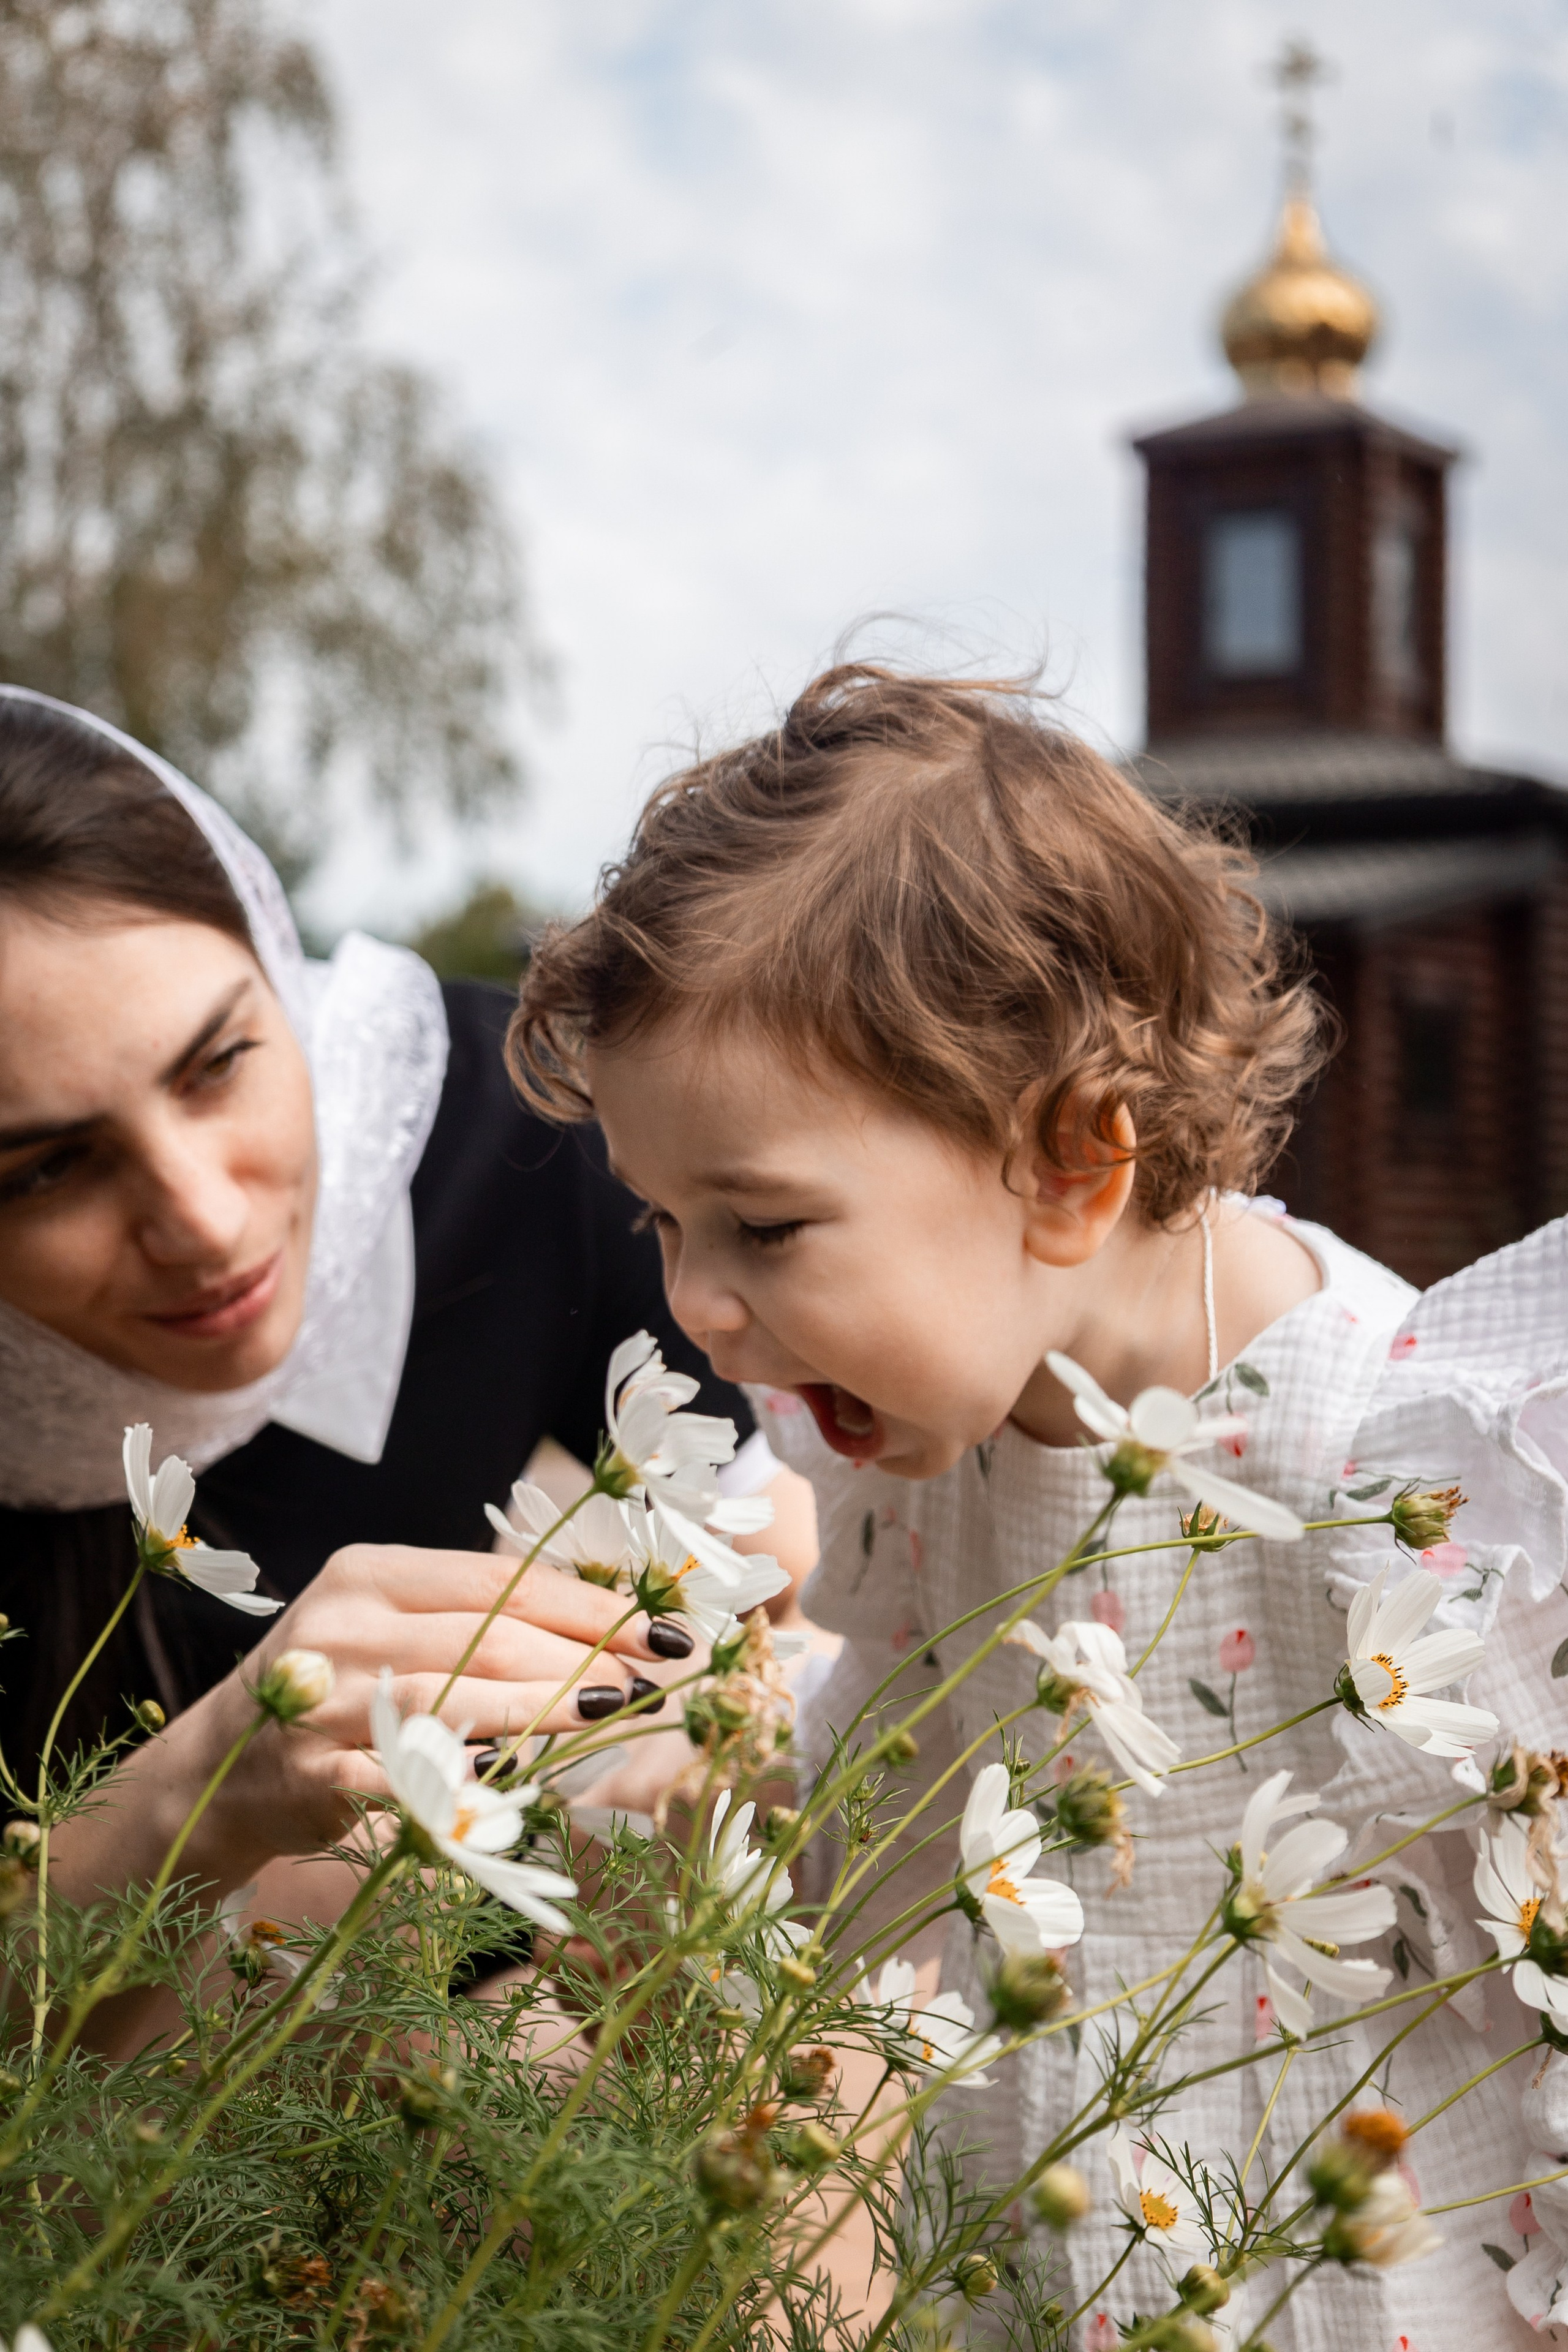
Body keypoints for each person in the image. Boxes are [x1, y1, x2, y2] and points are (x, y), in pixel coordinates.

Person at [510, 662, 1568, 2349]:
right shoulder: (935, 1439)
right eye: (660, 1223)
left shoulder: (1386, 1482)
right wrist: (709, 1766)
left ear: (1075, 1163)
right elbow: (905, 1794)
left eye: (763, 1227)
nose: (697, 1307)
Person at [0, 687, 813, 2040]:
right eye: (46, 1168)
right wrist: (193, 1800)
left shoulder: (506, 1121)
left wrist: (663, 1723)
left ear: (278, 960)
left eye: (221, 1065)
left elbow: (780, 1536)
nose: (202, 1218)